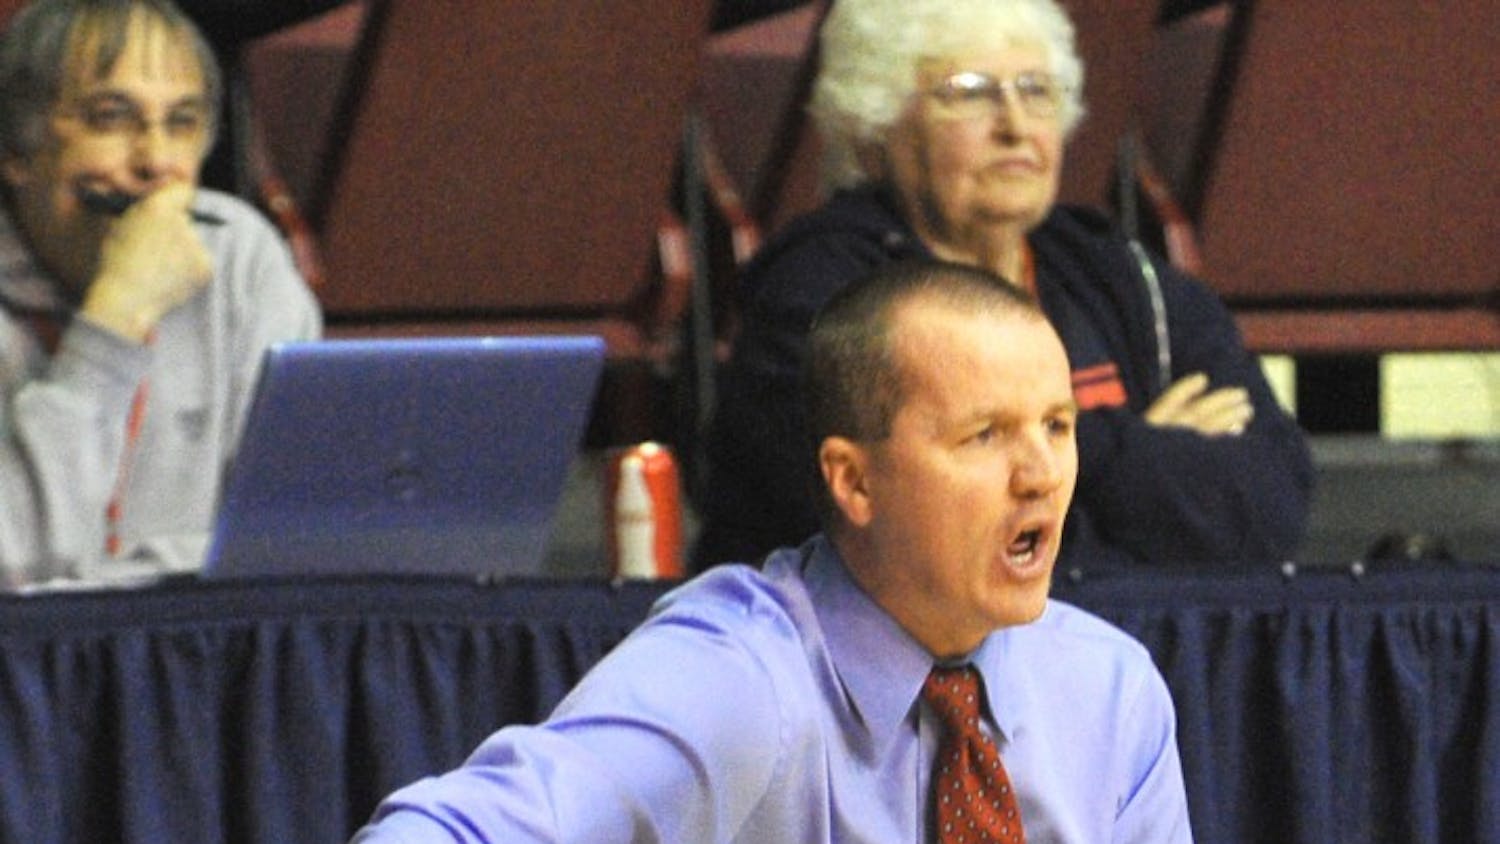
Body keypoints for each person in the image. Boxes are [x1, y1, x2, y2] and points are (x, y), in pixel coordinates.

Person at [352, 260, 1193, 842]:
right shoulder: (742, 674)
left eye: (1057, 426)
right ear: (853, 483)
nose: (1041, 473)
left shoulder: (1109, 691)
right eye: (985, 436)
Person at [693, 0, 1314, 572]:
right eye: (970, 93)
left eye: (1036, 90)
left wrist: (1002, 450)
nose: (1016, 125)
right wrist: (1147, 449)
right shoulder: (823, 293)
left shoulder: (1116, 273)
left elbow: (1272, 502)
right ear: (875, 123)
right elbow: (929, 540)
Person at [0, 0, 321, 586]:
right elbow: (14, 562)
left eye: (180, 123)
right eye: (111, 118)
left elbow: (288, 542)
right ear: (17, 153)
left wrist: (121, 584)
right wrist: (114, 320)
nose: (155, 164)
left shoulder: (240, 259)